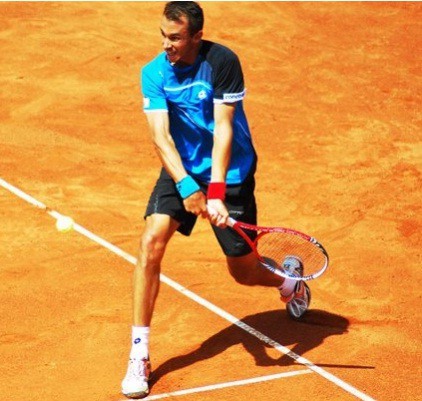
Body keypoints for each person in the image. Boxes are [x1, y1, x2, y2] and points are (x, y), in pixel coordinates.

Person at [121, 2, 311, 398]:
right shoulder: (154, 73)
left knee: (242, 272)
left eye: (175, 38)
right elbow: (160, 137)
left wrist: (218, 193)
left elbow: (224, 128)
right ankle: (139, 355)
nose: (166, 44)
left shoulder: (223, 62)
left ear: (196, 37)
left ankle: (288, 281)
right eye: (163, 35)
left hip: (233, 172)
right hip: (181, 170)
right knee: (150, 243)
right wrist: (189, 187)